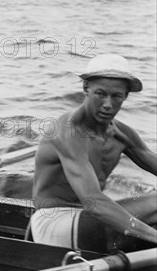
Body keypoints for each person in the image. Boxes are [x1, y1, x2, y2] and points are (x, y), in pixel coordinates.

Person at [31, 54, 157, 252]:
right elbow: (94, 203)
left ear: (125, 96)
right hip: (54, 226)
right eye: (100, 94)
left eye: (116, 96)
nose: (108, 104)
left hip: (90, 222)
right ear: (85, 89)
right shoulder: (66, 130)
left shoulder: (122, 134)